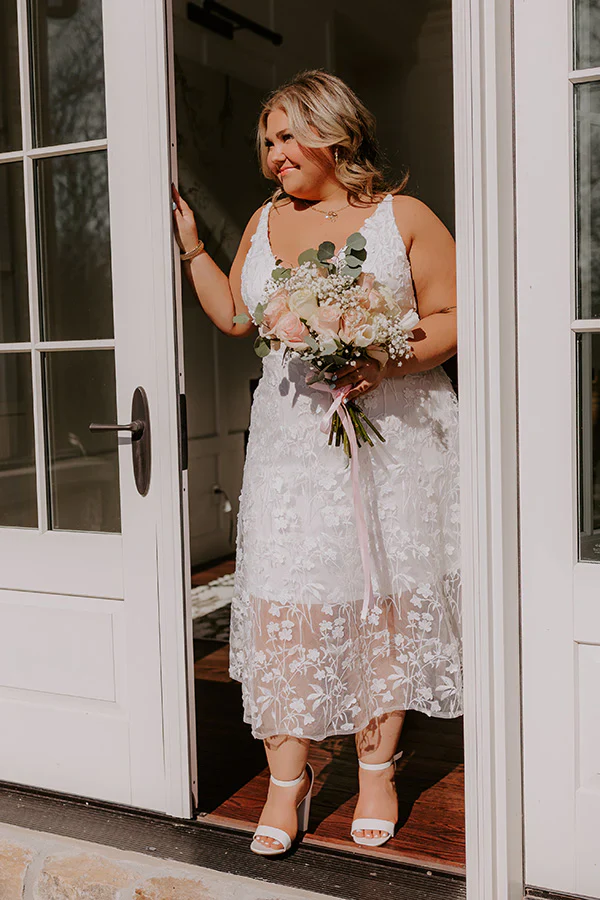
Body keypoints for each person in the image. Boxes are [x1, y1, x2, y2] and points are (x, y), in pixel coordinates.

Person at [172, 69, 461, 857]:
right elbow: (236, 315)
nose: (273, 154)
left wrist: (384, 359)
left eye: (287, 136)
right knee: (288, 607)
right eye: (266, 141)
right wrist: (195, 248)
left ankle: (377, 771)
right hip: (292, 449)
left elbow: (452, 317)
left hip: (391, 441)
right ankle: (287, 785)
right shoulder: (265, 223)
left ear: (335, 132)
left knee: (383, 598)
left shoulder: (404, 216)